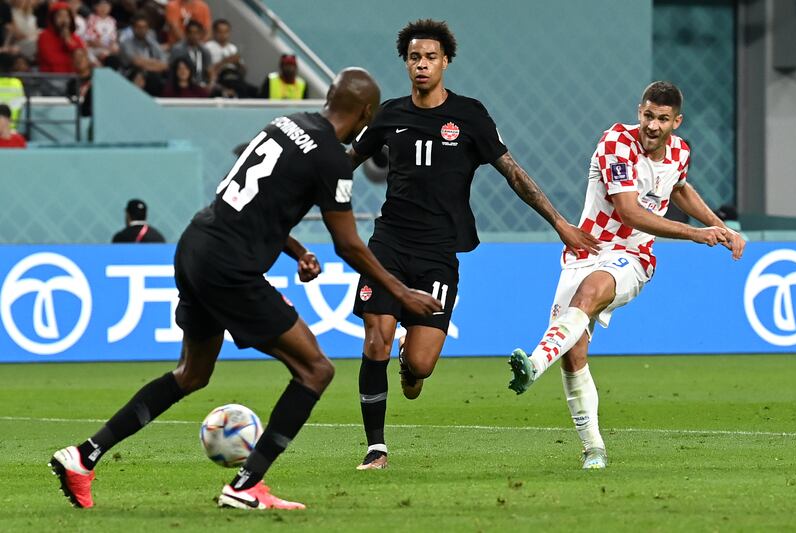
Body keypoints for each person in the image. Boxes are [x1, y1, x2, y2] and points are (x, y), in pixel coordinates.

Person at [49, 67, 442, 511]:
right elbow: (349, 244)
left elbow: (247, 198)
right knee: (316, 369)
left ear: (329, 95)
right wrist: (401, 292)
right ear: (367, 113)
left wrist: (294, 252)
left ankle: (84, 456)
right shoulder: (332, 157)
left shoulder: (285, 124)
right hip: (228, 266)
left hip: (196, 243)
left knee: (191, 373)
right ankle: (245, 485)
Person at [347, 19, 600, 470]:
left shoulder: (469, 116)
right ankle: (376, 448)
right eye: (414, 58)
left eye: (430, 57)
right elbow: (345, 162)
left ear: (445, 62)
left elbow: (514, 175)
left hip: (438, 254)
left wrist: (560, 223)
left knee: (420, 366)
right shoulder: (389, 115)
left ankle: (410, 363)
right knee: (375, 340)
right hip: (387, 245)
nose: (421, 65)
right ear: (406, 63)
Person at [506, 81, 746, 470]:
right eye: (648, 115)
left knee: (589, 294)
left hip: (633, 257)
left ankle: (533, 364)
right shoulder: (617, 143)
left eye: (663, 119)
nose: (653, 126)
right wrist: (696, 234)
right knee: (574, 355)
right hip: (587, 249)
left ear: (676, 122)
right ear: (639, 111)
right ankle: (594, 449)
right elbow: (630, 211)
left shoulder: (681, 152)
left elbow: (680, 188)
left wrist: (720, 227)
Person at [119, 12, 167, 96]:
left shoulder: (152, 43)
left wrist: (148, 66)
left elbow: (165, 64)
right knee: (145, 74)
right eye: (139, 27)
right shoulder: (126, 43)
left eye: (145, 27)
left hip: (152, 73)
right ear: (133, 28)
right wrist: (155, 62)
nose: (142, 30)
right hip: (130, 74)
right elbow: (137, 62)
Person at [36, 1, 85, 73]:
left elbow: (81, 59)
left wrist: (68, 41)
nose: (64, 20)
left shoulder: (75, 38)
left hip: (73, 78)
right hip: (51, 78)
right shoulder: (44, 36)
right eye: (60, 16)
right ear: (53, 19)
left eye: (66, 16)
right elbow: (51, 59)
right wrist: (71, 60)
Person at [168, 19, 210, 85]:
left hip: (201, 83)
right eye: (191, 32)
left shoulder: (204, 50)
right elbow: (172, 70)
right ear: (186, 34)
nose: (194, 36)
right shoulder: (178, 49)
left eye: (196, 33)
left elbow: (209, 69)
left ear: (201, 34)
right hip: (183, 84)